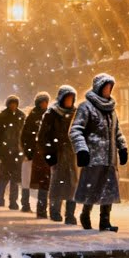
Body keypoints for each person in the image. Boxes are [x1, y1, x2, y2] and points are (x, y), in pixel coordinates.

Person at [70, 74, 128, 232]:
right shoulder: (86, 107)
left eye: (110, 87)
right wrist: (82, 149)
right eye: (106, 87)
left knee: (108, 189)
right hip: (93, 157)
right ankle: (85, 214)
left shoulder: (111, 109)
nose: (108, 90)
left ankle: (105, 221)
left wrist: (122, 147)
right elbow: (76, 130)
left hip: (109, 157)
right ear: (99, 88)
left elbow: (117, 131)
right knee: (91, 188)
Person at [42, 85, 80, 224]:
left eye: (71, 98)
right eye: (67, 98)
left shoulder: (76, 113)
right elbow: (44, 136)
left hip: (71, 155)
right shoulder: (51, 114)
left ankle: (70, 214)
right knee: (57, 183)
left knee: (72, 185)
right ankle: (55, 211)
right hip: (57, 154)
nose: (69, 101)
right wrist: (49, 153)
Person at [0, 96, 27, 209]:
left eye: (15, 103)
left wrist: (24, 149)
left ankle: (13, 202)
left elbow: (24, 134)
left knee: (15, 178)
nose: (13, 106)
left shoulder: (21, 116)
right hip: (5, 152)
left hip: (17, 151)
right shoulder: (3, 116)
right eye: (11, 103)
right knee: (4, 177)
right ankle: (0, 199)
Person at [19, 92, 50, 214]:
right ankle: (25, 204)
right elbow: (25, 135)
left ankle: (41, 208)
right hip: (32, 153)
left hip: (44, 153)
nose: (44, 104)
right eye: (42, 102)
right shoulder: (32, 116)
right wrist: (28, 151)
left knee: (44, 181)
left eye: (46, 102)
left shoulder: (49, 115)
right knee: (27, 179)